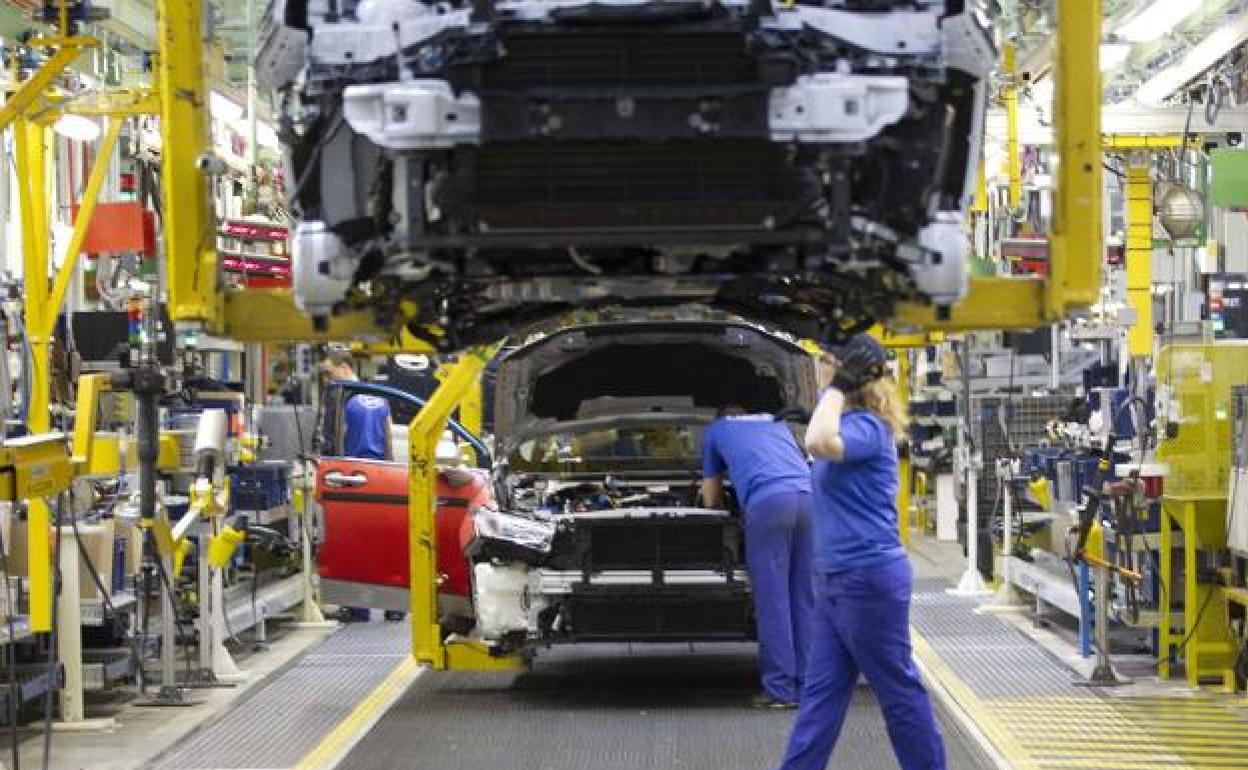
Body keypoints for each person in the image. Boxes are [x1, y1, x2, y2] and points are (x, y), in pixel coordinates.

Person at [772, 334, 946, 770]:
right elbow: (818, 439)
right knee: (820, 699)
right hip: (834, 580)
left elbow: (818, 444)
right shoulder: (845, 425)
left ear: (848, 373)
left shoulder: (868, 428)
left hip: (867, 578)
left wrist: (833, 393)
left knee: (898, 691)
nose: (817, 368)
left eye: (826, 361)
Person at [702, 405, 814, 709]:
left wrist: (715, 517)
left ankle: (779, 690)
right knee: (803, 598)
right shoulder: (776, 424)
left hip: (769, 505)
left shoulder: (716, 430)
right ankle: (807, 687)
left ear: (721, 415)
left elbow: (711, 494)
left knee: (773, 600)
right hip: (810, 500)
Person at [321, 351, 393, 461]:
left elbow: (339, 436)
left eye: (328, 373)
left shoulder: (352, 397)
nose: (325, 379)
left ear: (344, 367)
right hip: (367, 464)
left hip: (350, 465)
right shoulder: (337, 394)